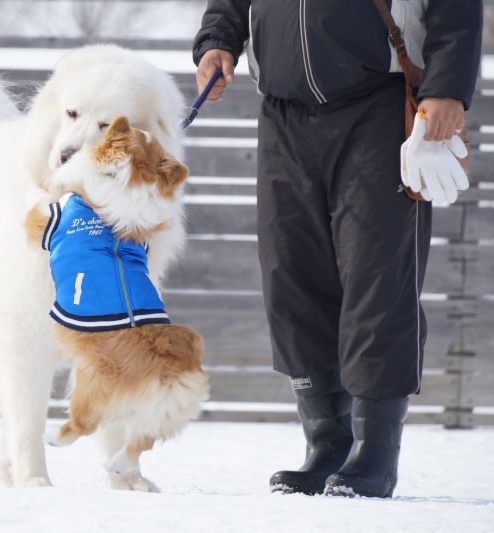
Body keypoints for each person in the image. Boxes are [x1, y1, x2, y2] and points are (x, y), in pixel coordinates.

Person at [192, 0, 482, 498]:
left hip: (379, 102)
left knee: (378, 276)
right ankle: (327, 443)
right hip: (282, 110)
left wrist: (448, 88)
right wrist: (218, 40)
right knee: (290, 275)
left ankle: (374, 452)